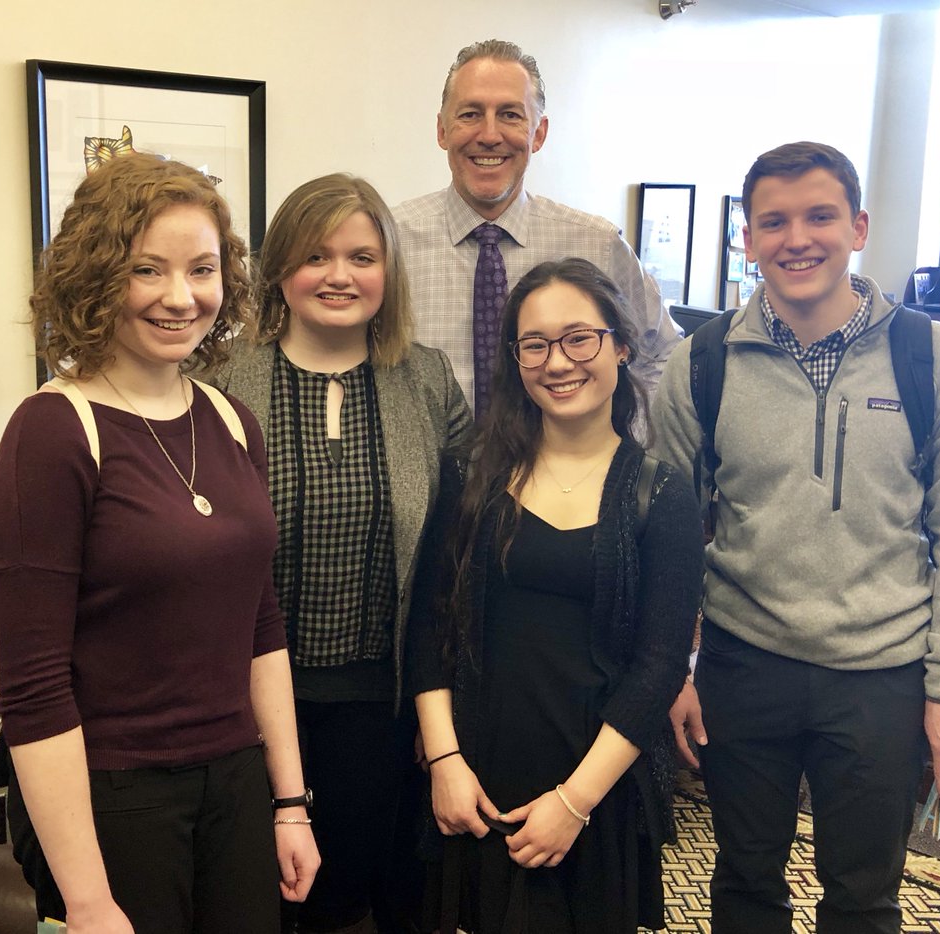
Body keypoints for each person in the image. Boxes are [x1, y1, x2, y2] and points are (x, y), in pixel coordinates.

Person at [651, 141, 940, 934]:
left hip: (882, 674)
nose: (797, 239)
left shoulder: (934, 358)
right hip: (745, 665)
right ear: (748, 239)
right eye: (773, 222)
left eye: (819, 216)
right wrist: (674, 667)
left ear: (858, 226)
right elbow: (669, 532)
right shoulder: (702, 362)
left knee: (863, 894)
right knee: (744, 880)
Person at [0, 153, 319, 933]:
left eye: (201, 269)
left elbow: (261, 627)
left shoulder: (231, 422)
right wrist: (88, 900)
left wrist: (289, 802)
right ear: (97, 277)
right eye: (147, 270)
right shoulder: (54, 431)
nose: (179, 296)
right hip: (110, 794)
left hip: (233, 781)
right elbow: (32, 687)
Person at [407, 257, 704, 932]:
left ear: (622, 347)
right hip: (478, 777)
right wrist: (445, 762)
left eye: (580, 338)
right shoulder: (472, 476)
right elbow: (431, 627)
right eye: (534, 344)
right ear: (515, 360)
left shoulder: (663, 495)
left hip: (596, 787)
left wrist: (574, 803)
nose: (558, 361)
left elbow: (659, 668)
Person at [210, 173, 471, 934]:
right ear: (279, 270)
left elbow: (454, 559)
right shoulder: (221, 383)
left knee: (349, 899)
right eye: (316, 255)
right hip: (245, 705)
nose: (339, 276)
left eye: (362, 256)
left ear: (388, 271)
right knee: (258, 899)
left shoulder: (426, 380)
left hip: (377, 705)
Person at [393, 39, 681, 418]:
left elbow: (663, 354)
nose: (490, 135)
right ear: (442, 130)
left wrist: (628, 443)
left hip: (565, 474)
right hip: (429, 475)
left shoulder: (596, 245)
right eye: (470, 114)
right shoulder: (388, 244)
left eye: (511, 115)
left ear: (539, 133)